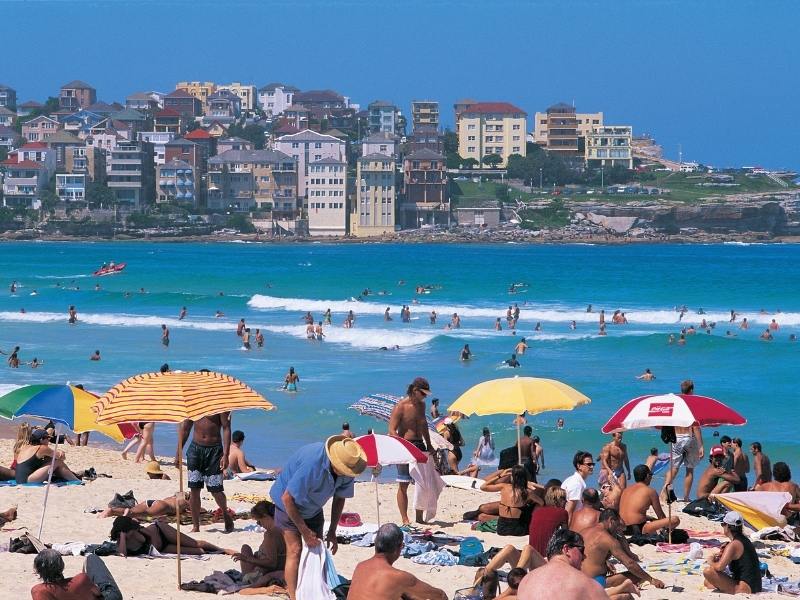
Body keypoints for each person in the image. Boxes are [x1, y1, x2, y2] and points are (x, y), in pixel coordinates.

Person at [269, 436, 367, 600]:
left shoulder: (350, 466)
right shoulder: (312, 463)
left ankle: (313, 588)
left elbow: (339, 498)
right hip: (286, 504)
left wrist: (333, 531)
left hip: (313, 507)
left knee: (317, 549)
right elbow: (287, 498)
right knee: (295, 550)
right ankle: (293, 596)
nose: (345, 473)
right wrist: (304, 531)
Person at [348, 523, 447, 600]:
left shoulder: (360, 567)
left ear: (375, 543)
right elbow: (439, 595)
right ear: (400, 548)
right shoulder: (400, 577)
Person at [580, 508, 665, 590]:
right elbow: (629, 563)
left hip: (577, 578)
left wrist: (605, 563)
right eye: (617, 525)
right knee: (636, 576)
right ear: (611, 521)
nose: (617, 529)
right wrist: (651, 579)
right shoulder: (608, 538)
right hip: (594, 582)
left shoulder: (583, 531)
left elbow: (589, 554)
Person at [388, 377, 435, 524]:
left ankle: (419, 517)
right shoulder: (400, 407)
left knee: (423, 483)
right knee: (404, 483)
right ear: (415, 391)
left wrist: (429, 445)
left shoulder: (421, 406)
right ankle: (405, 518)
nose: (425, 397)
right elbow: (391, 430)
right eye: (423, 393)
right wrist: (401, 445)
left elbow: (423, 425)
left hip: (419, 444)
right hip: (404, 446)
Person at [179, 410, 234, 532]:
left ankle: (225, 512)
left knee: (216, 490)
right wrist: (179, 450)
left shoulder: (221, 404)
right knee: (194, 489)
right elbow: (186, 428)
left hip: (214, 450)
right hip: (195, 449)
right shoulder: (194, 402)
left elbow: (226, 428)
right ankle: (195, 526)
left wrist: (226, 454)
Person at [517, 529, 608, 600]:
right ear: (566, 549)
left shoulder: (526, 581)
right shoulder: (587, 585)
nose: (584, 556)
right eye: (581, 550)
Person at [663, 379, 704, 502]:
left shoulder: (676, 404)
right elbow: (695, 426)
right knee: (689, 469)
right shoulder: (691, 404)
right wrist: (701, 445)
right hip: (688, 437)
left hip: (676, 438)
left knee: (674, 468)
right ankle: (686, 497)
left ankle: (663, 493)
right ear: (691, 390)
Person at [702, 511, 762, 594]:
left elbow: (720, 567)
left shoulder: (734, 545)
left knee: (708, 571)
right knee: (707, 582)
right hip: (755, 585)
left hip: (746, 587)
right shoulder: (744, 540)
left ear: (728, 527)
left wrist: (710, 561)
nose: (723, 526)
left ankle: (732, 589)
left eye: (723, 524)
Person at [111, 516, 228, 557]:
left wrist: (129, 531)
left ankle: (223, 550)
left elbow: (150, 537)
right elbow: (122, 554)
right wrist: (122, 537)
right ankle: (217, 551)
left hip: (162, 531)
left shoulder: (137, 529)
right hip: (162, 548)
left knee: (196, 543)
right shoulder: (122, 540)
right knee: (200, 552)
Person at [231, 500, 286, 587]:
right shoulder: (285, 528)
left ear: (265, 516)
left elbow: (272, 563)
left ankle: (245, 577)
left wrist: (247, 559)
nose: (259, 524)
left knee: (245, 548)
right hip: (282, 567)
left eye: (259, 521)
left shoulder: (271, 534)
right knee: (247, 548)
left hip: (263, 573)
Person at [31, 548, 122, 600]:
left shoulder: (40, 590)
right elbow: (98, 593)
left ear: (38, 571)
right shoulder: (81, 579)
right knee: (92, 558)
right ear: (62, 566)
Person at [480, 465, 542, 536]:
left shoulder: (503, 486)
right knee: (534, 505)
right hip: (517, 530)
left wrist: (500, 476)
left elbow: (483, 487)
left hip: (501, 529)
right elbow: (541, 503)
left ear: (512, 477)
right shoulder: (527, 492)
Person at [619, 464, 680, 535]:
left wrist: (651, 519)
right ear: (647, 476)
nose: (651, 477)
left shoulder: (626, 490)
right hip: (638, 529)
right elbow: (660, 516)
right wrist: (664, 524)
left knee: (651, 519)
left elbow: (631, 512)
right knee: (675, 520)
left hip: (621, 528)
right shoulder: (650, 491)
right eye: (651, 474)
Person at [14, 429, 79, 484]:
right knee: (58, 462)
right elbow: (60, 457)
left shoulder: (26, 447)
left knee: (49, 461)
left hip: (18, 479)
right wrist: (61, 452)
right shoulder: (41, 448)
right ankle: (76, 480)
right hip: (28, 480)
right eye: (47, 439)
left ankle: (70, 477)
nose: (49, 441)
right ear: (41, 439)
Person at [528, 486, 568, 556]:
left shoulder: (537, 511)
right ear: (556, 499)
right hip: (547, 555)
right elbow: (565, 534)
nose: (566, 501)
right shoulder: (562, 512)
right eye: (564, 498)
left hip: (533, 553)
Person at [562, 450, 594, 523]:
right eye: (589, 464)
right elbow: (568, 511)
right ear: (579, 466)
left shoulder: (572, 479)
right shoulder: (576, 484)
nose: (592, 466)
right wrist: (567, 532)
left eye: (592, 464)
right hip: (571, 523)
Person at [100, 492, 188, 519]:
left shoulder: (172, 497)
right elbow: (200, 510)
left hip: (151, 502)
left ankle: (112, 511)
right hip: (163, 506)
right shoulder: (186, 502)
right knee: (146, 513)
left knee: (136, 511)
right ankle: (116, 511)